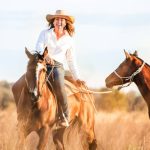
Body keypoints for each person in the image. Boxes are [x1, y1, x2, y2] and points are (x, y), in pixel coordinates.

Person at [35, 10, 85, 127]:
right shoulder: (45, 33)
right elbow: (38, 46)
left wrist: (77, 78)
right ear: (53, 21)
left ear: (66, 22)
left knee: (59, 85)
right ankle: (24, 112)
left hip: (57, 66)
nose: (59, 21)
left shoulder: (69, 40)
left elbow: (71, 61)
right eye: (57, 19)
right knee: (28, 79)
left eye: (62, 19)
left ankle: (64, 115)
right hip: (42, 62)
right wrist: (45, 55)